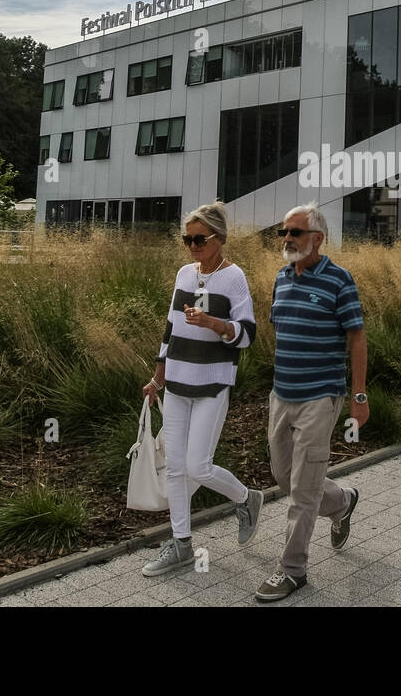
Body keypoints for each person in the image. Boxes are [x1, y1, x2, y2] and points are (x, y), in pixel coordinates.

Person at [141, 202, 263, 577]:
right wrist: (157, 378)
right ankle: (180, 544)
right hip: (177, 381)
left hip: (212, 383)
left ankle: (246, 498)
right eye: (187, 239)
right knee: (176, 469)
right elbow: (170, 330)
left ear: (219, 239)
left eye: (199, 239)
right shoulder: (183, 274)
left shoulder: (234, 278)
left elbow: (247, 334)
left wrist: (214, 323)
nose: (192, 246)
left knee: (198, 465)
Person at [255, 202, 368, 602]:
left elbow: (356, 339)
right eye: (284, 232)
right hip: (281, 394)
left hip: (321, 396)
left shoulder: (340, 280)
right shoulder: (282, 278)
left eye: (295, 233)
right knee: (284, 476)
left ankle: (292, 570)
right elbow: (284, 332)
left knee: (303, 489)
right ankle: (342, 502)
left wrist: (358, 396)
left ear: (317, 239)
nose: (286, 239)